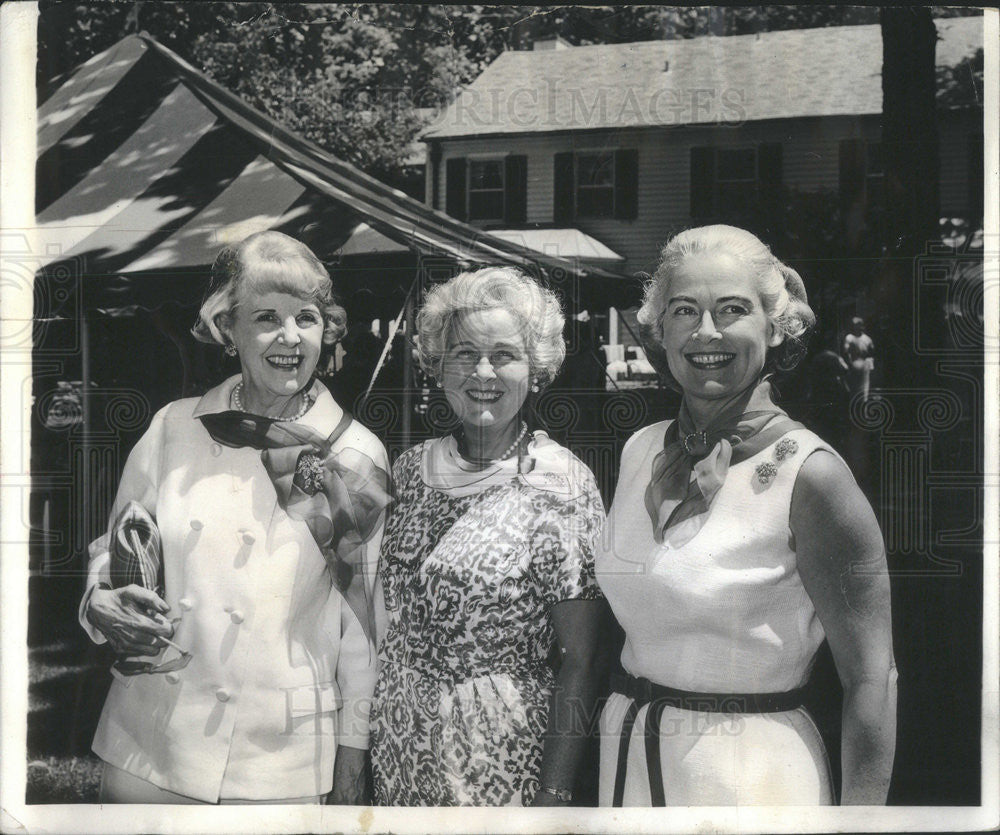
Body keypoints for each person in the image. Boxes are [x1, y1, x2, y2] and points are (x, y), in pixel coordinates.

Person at [79, 231, 389, 804]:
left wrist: (353, 754)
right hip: (146, 746)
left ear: (329, 329)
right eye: (267, 317)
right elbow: (116, 546)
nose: (290, 337)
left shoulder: (350, 454)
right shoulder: (174, 427)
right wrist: (98, 598)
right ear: (229, 329)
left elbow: (363, 627)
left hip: (277, 764)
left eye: (308, 317)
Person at [596, 225, 896, 806]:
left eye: (732, 309)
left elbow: (871, 680)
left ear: (775, 326)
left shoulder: (810, 475)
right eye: (684, 310)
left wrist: (862, 825)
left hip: (750, 778)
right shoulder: (639, 450)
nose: (706, 332)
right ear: (660, 328)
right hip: (628, 763)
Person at [370, 267, 605, 806]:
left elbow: (583, 659)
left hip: (500, 761)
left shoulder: (559, 484)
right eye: (463, 353)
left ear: (536, 370)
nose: (483, 372)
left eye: (503, 354)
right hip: (398, 750)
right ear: (436, 365)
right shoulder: (406, 471)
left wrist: (555, 796)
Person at [843, 316, 876, 402]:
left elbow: (872, 353)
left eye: (858, 325)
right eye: (854, 325)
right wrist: (849, 364)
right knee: (854, 389)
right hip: (854, 364)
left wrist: (870, 364)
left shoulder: (867, 339)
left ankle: (863, 405)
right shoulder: (849, 338)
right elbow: (846, 352)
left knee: (865, 388)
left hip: (865, 365)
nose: (856, 327)